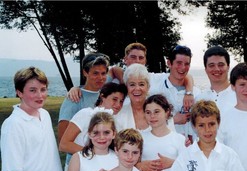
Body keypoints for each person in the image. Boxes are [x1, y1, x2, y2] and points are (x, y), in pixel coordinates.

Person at [0, 67, 66, 171]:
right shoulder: (13, 125)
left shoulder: (45, 114)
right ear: (19, 92)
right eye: (32, 90)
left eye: (43, 89)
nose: (40, 95)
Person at [67, 42, 195, 112]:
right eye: (133, 57)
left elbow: (184, 75)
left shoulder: (154, 78)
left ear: (145, 60)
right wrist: (78, 88)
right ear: (125, 59)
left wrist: (189, 92)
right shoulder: (116, 82)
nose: (137, 61)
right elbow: (96, 83)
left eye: (141, 57)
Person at [59, 82, 127, 171]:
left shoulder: (115, 123)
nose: (118, 105)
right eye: (114, 99)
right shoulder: (86, 114)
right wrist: (93, 153)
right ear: (102, 97)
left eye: (121, 101)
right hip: (78, 169)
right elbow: (64, 145)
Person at [138, 94, 186, 171]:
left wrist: (172, 163)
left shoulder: (179, 139)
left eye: (156, 112)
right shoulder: (140, 138)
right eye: (148, 112)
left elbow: (189, 169)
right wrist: (140, 165)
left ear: (167, 112)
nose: (152, 116)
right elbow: (127, 165)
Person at [148, 45, 201, 142]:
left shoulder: (196, 93)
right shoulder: (154, 84)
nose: (183, 68)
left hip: (187, 150)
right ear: (169, 63)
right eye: (179, 63)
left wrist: (189, 92)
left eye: (187, 64)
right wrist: (172, 120)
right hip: (161, 146)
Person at [58, 52, 110, 143]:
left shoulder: (106, 96)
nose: (100, 77)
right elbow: (62, 139)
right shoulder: (75, 98)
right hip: (79, 156)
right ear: (85, 73)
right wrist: (90, 153)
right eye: (95, 73)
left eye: (103, 73)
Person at [114, 63, 175, 132]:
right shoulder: (119, 114)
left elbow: (172, 138)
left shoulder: (163, 110)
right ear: (126, 88)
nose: (137, 88)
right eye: (132, 84)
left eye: (141, 84)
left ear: (148, 87)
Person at [195, 45, 237, 115]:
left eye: (221, 65)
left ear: (228, 67)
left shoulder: (241, 96)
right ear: (206, 69)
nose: (217, 69)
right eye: (211, 65)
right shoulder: (199, 99)